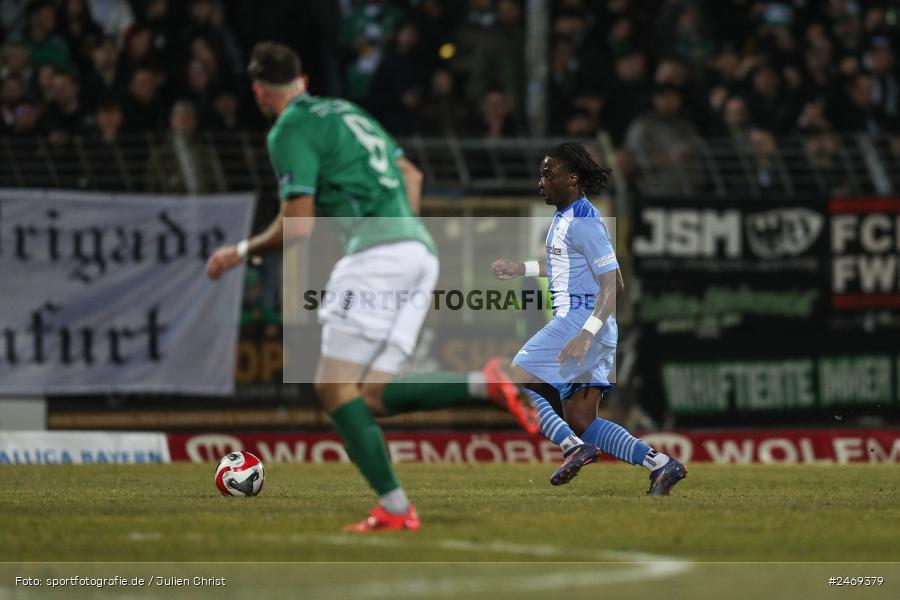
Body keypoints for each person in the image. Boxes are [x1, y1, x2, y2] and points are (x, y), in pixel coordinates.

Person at [205, 42, 532, 533]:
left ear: (258, 91)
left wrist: (240, 251)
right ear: (302, 80)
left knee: (332, 387)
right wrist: (401, 235)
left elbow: (297, 226)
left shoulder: (289, 128)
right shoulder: (347, 111)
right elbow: (411, 173)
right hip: (418, 253)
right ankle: (484, 382)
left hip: (378, 257)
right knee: (373, 394)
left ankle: (396, 508)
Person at [490, 142, 687, 495]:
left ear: (572, 178)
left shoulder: (584, 221)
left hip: (581, 321)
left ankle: (571, 448)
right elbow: (564, 265)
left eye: (548, 174)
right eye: (540, 175)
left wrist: (584, 334)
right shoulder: (566, 217)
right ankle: (661, 464)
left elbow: (614, 284)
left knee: (513, 378)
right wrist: (522, 268)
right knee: (582, 419)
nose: (541, 182)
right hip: (593, 326)